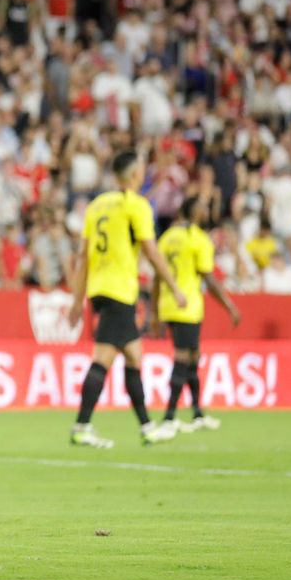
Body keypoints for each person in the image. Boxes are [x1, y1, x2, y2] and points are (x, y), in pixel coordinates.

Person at [65, 150, 187, 449]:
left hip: (99, 289)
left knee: (134, 355)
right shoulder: (137, 206)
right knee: (103, 358)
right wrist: (174, 286)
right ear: (135, 175)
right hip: (119, 290)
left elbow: (83, 256)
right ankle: (82, 426)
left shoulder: (96, 206)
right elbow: (151, 251)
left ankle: (146, 427)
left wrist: (78, 300)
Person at [155, 198, 240, 432]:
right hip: (188, 304)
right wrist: (230, 306)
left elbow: (157, 274)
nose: (206, 211)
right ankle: (170, 416)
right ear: (195, 212)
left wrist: (154, 310)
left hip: (168, 303)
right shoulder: (198, 239)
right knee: (184, 357)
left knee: (193, 356)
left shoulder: (167, 237)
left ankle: (197, 413)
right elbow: (209, 279)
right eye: (202, 208)